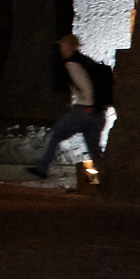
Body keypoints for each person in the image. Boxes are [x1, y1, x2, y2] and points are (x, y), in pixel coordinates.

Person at [29, 34, 113, 179]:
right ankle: (107, 178)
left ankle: (42, 168)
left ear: (70, 47)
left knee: (54, 135)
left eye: (63, 46)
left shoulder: (72, 63)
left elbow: (85, 86)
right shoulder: (86, 61)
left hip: (84, 111)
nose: (61, 49)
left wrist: (89, 105)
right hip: (99, 113)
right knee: (94, 149)